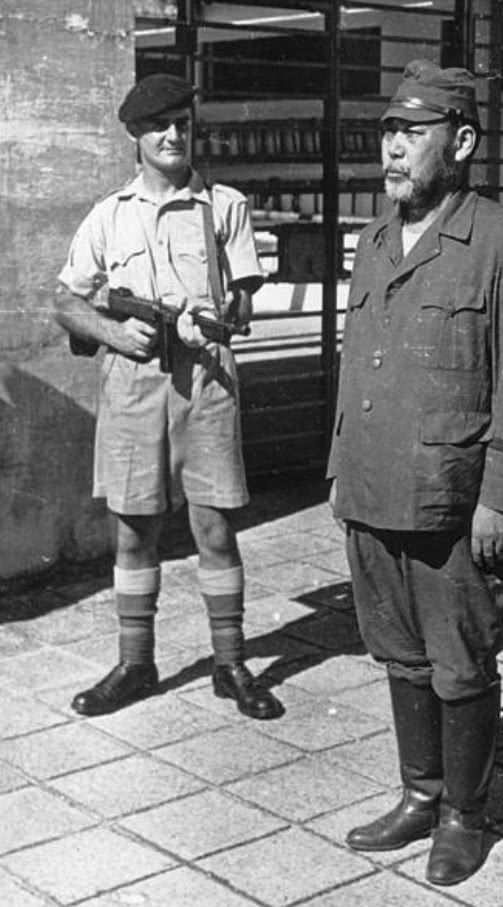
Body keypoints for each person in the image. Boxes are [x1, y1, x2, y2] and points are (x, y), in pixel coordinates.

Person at [328, 59, 503, 885]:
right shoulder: (373, 240)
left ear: (460, 143)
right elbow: (359, 367)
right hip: (373, 490)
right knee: (399, 653)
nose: (392, 149)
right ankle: (420, 794)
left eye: (412, 133)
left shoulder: (502, 240)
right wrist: (340, 472)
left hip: (456, 500)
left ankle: (465, 814)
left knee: (461, 660)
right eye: (388, 132)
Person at [54, 73, 283, 721]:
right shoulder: (109, 215)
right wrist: (114, 332)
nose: (174, 135)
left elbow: (243, 307)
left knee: (215, 527)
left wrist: (210, 321)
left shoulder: (224, 207)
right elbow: (66, 301)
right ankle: (135, 662)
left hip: (207, 380)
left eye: (182, 123)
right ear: (136, 134)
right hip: (132, 386)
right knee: (133, 531)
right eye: (159, 126)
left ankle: (230, 662)